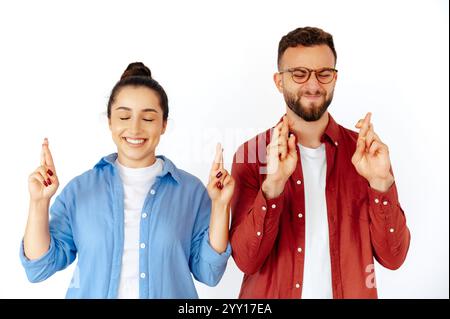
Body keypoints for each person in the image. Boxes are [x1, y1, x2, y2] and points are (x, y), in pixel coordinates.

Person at [20, 62, 234, 299]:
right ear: (110, 121)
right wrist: (39, 202)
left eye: (148, 119)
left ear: (163, 124)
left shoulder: (191, 192)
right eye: (124, 116)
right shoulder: (79, 191)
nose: (134, 128)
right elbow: (39, 268)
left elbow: (209, 273)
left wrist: (220, 205)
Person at [230, 27, 410, 298]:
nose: (313, 85)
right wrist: (273, 186)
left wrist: (380, 183)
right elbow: (246, 260)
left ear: (335, 79)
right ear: (279, 82)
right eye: (299, 74)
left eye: (324, 74)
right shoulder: (252, 155)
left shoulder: (366, 154)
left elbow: (393, 258)